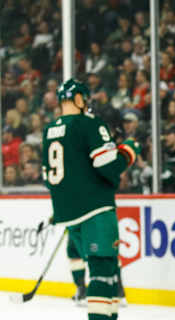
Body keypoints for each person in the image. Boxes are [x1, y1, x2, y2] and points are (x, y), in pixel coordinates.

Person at [42, 78, 140, 320]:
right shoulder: (89, 124)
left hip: (69, 213)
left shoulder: (49, 131)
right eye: (84, 99)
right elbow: (107, 165)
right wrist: (128, 151)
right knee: (103, 271)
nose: (86, 104)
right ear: (78, 99)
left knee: (101, 268)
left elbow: (50, 176)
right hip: (95, 210)